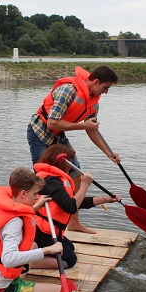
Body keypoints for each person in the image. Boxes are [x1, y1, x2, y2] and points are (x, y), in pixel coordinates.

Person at [27, 65, 120, 234]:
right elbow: (52, 123)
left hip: (58, 136)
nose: (106, 92)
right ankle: (35, 220)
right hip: (40, 133)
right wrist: (82, 125)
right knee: (43, 179)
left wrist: (110, 154)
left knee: (76, 175)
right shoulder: (68, 91)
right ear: (96, 81)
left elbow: (91, 129)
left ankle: (74, 222)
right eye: (105, 87)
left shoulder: (94, 102)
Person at [0, 167, 63, 292]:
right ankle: (14, 287)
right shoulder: (14, 224)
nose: (37, 198)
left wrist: (35, 208)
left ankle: (15, 278)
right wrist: (48, 250)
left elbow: (18, 211)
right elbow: (8, 259)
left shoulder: (4, 205)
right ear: (23, 193)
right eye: (35, 194)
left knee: (34, 245)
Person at [33, 144, 121, 269]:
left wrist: (105, 199)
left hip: (48, 231)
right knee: (70, 260)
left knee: (70, 247)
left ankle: (33, 251)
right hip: (40, 231)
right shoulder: (50, 180)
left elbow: (76, 202)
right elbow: (71, 207)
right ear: (61, 162)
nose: (70, 167)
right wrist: (85, 185)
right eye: (69, 163)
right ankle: (25, 263)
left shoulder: (54, 178)